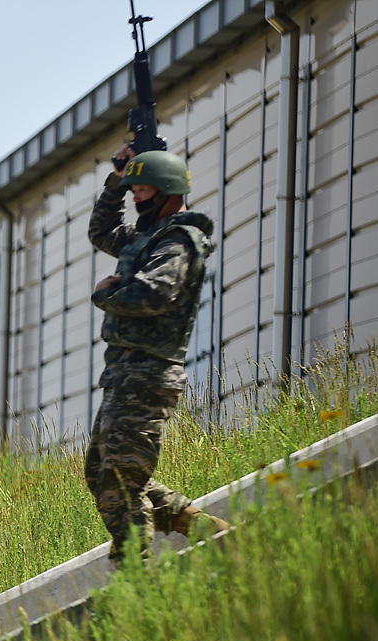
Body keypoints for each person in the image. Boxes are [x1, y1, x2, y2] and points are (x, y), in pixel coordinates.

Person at [85, 144, 231, 563]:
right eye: (132, 191)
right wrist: (116, 178)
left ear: (167, 191)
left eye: (142, 190)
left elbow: (156, 292)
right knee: (102, 471)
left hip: (148, 372)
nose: (135, 198)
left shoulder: (178, 241)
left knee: (118, 482)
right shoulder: (148, 239)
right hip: (126, 372)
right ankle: (199, 525)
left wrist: (107, 295)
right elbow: (101, 233)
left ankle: (134, 573)